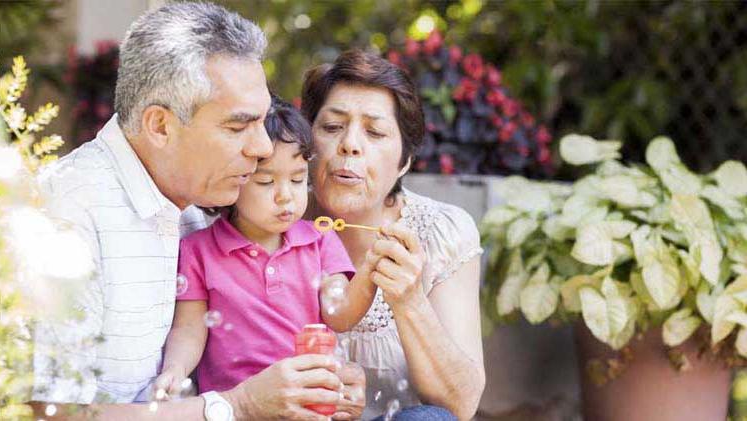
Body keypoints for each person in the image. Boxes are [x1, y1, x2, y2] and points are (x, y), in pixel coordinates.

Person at [29, 3, 363, 420]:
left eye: (261, 122)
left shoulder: (200, 204)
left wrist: (318, 383)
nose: (261, 148)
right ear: (161, 126)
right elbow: (49, 415)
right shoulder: (68, 215)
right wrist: (237, 407)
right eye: (238, 126)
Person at [154, 96, 377, 402]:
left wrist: (372, 271)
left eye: (298, 179)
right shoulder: (199, 251)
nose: (285, 196)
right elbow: (190, 329)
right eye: (265, 182)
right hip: (235, 406)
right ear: (234, 178)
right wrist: (175, 369)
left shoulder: (320, 241)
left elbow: (339, 314)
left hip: (306, 402)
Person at [302, 50, 486, 420]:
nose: (350, 144)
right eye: (333, 127)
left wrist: (410, 301)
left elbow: (460, 407)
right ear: (306, 142)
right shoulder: (271, 224)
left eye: (374, 131)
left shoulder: (441, 231)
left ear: (404, 161)